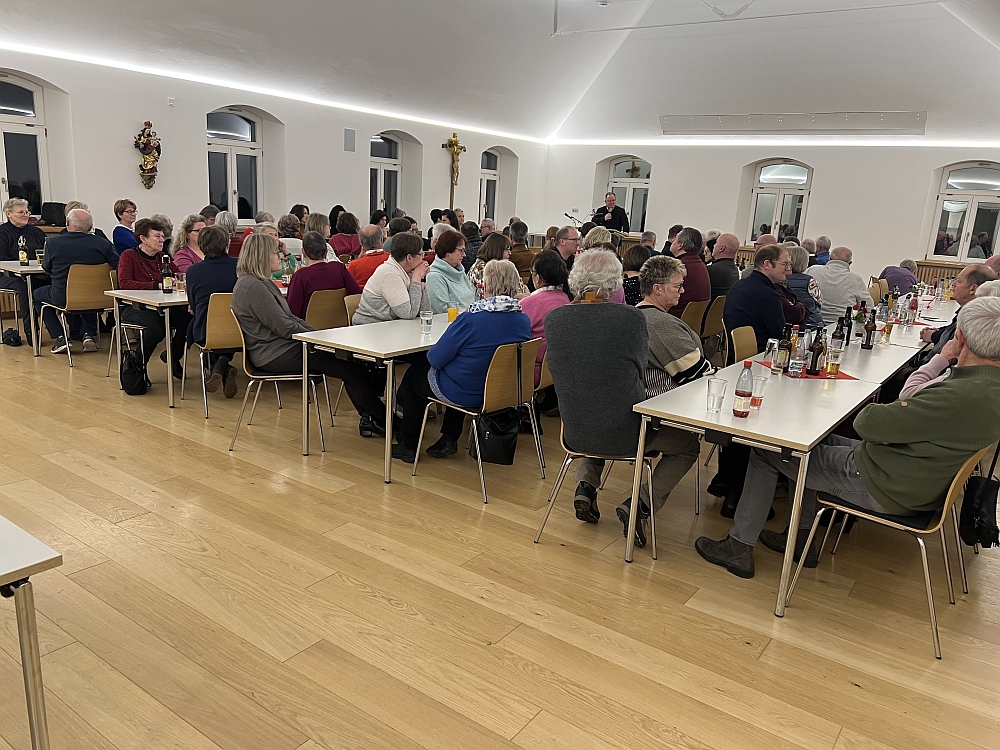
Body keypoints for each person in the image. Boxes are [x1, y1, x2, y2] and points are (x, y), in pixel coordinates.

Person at [696, 296, 1000, 579]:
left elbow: (869, 422)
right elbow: (890, 427)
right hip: (912, 476)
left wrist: (889, 428)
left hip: (885, 483)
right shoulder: (987, 390)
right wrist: (891, 432)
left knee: (767, 450)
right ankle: (801, 538)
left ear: (960, 339)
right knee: (808, 444)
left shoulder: (958, 396)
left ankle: (739, 546)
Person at [544, 250, 690, 546]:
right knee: (688, 445)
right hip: (628, 434)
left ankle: (586, 484)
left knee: (599, 402)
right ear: (615, 284)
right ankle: (640, 504)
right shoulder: (631, 318)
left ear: (576, 279)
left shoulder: (554, 320)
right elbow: (637, 369)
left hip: (575, 429)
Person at [231, 233, 388, 437]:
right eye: (275, 252)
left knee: (352, 364)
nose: (280, 256)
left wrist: (319, 336)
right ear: (261, 256)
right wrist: (319, 338)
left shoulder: (261, 282)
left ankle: (373, 419)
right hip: (274, 353)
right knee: (351, 369)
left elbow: (290, 319)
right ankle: (383, 420)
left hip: (283, 347)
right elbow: (285, 326)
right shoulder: (253, 287)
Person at [391, 259, 531, 463]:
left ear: (486, 285)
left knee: (416, 376)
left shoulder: (470, 319)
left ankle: (407, 444)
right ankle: (448, 437)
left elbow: (435, 359)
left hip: (467, 392)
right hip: (500, 392)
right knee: (461, 372)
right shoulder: (522, 320)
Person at [33, 209, 118, 354]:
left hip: (63, 297)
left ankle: (60, 337)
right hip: (99, 298)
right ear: (91, 227)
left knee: (36, 294)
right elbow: (118, 265)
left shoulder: (53, 244)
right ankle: (88, 334)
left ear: (67, 223)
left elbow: (46, 269)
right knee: (89, 290)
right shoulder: (103, 244)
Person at [116, 217, 191, 378]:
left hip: (162, 306)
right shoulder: (129, 256)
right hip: (134, 307)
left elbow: (178, 275)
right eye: (157, 236)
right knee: (158, 327)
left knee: (188, 320)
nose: (162, 240)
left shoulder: (162, 257)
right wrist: (155, 285)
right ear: (143, 238)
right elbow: (125, 283)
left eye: (163, 236)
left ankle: (173, 356)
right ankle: (137, 366)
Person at [184, 224, 239, 398]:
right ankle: (223, 363)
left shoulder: (193, 271)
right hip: (240, 330)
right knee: (226, 324)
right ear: (226, 244)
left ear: (201, 245)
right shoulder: (240, 266)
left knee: (196, 323)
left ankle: (221, 365)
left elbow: (193, 306)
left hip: (207, 331)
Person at [352, 232, 429, 325]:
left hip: (391, 325)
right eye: (421, 254)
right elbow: (408, 313)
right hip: (370, 327)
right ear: (409, 257)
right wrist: (416, 279)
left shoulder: (408, 271)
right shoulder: (390, 273)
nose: (423, 259)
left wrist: (420, 281)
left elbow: (424, 311)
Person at [724, 244, 789, 353]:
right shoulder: (767, 294)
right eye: (785, 264)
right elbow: (779, 335)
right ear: (767, 264)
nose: (788, 269)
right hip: (761, 355)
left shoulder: (738, 285)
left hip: (734, 352)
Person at [0, 198, 49, 343]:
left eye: (27, 212)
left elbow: (47, 252)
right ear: (9, 214)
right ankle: (31, 333)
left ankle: (75, 331)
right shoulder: (2, 233)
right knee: (25, 287)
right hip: (7, 275)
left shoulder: (37, 232)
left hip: (35, 274)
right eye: (21, 212)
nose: (25, 215)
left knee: (60, 281)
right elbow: (1, 258)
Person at [520, 250, 571, 387]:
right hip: (560, 368)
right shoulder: (566, 298)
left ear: (537, 278)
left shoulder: (527, 304)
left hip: (533, 371)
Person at [286, 231, 362, 319]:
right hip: (339, 326)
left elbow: (292, 312)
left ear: (303, 252)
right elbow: (357, 294)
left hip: (307, 329)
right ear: (326, 252)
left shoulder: (300, 276)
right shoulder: (339, 268)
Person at [806, 247, 868, 325]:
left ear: (829, 259)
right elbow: (868, 306)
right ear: (850, 263)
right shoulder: (856, 279)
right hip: (842, 326)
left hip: (812, 323)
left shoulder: (812, 270)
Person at [425, 230, 475, 314]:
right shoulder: (434, 276)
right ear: (448, 251)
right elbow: (441, 309)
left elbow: (472, 298)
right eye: (461, 251)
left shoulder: (460, 272)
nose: (464, 255)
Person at [666, 227, 710, 317]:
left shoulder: (677, 268)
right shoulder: (702, 266)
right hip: (693, 322)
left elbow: (662, 299)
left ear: (680, 245)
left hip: (674, 320)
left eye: (675, 239)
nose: (672, 241)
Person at [786, 246, 823, 329]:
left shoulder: (779, 279)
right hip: (810, 323)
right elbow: (819, 301)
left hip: (787, 323)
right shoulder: (810, 281)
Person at [467, 232, 512, 301]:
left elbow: (521, 288)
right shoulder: (481, 269)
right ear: (497, 250)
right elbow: (490, 296)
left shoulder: (501, 267)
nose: (510, 253)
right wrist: (516, 295)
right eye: (507, 249)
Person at [348, 224, 391, 288]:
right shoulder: (392, 260)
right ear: (382, 240)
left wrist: (359, 258)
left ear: (361, 243)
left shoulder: (353, 266)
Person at [707, 233, 741, 299]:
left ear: (721, 248)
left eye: (716, 243)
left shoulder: (711, 270)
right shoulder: (735, 270)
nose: (714, 245)